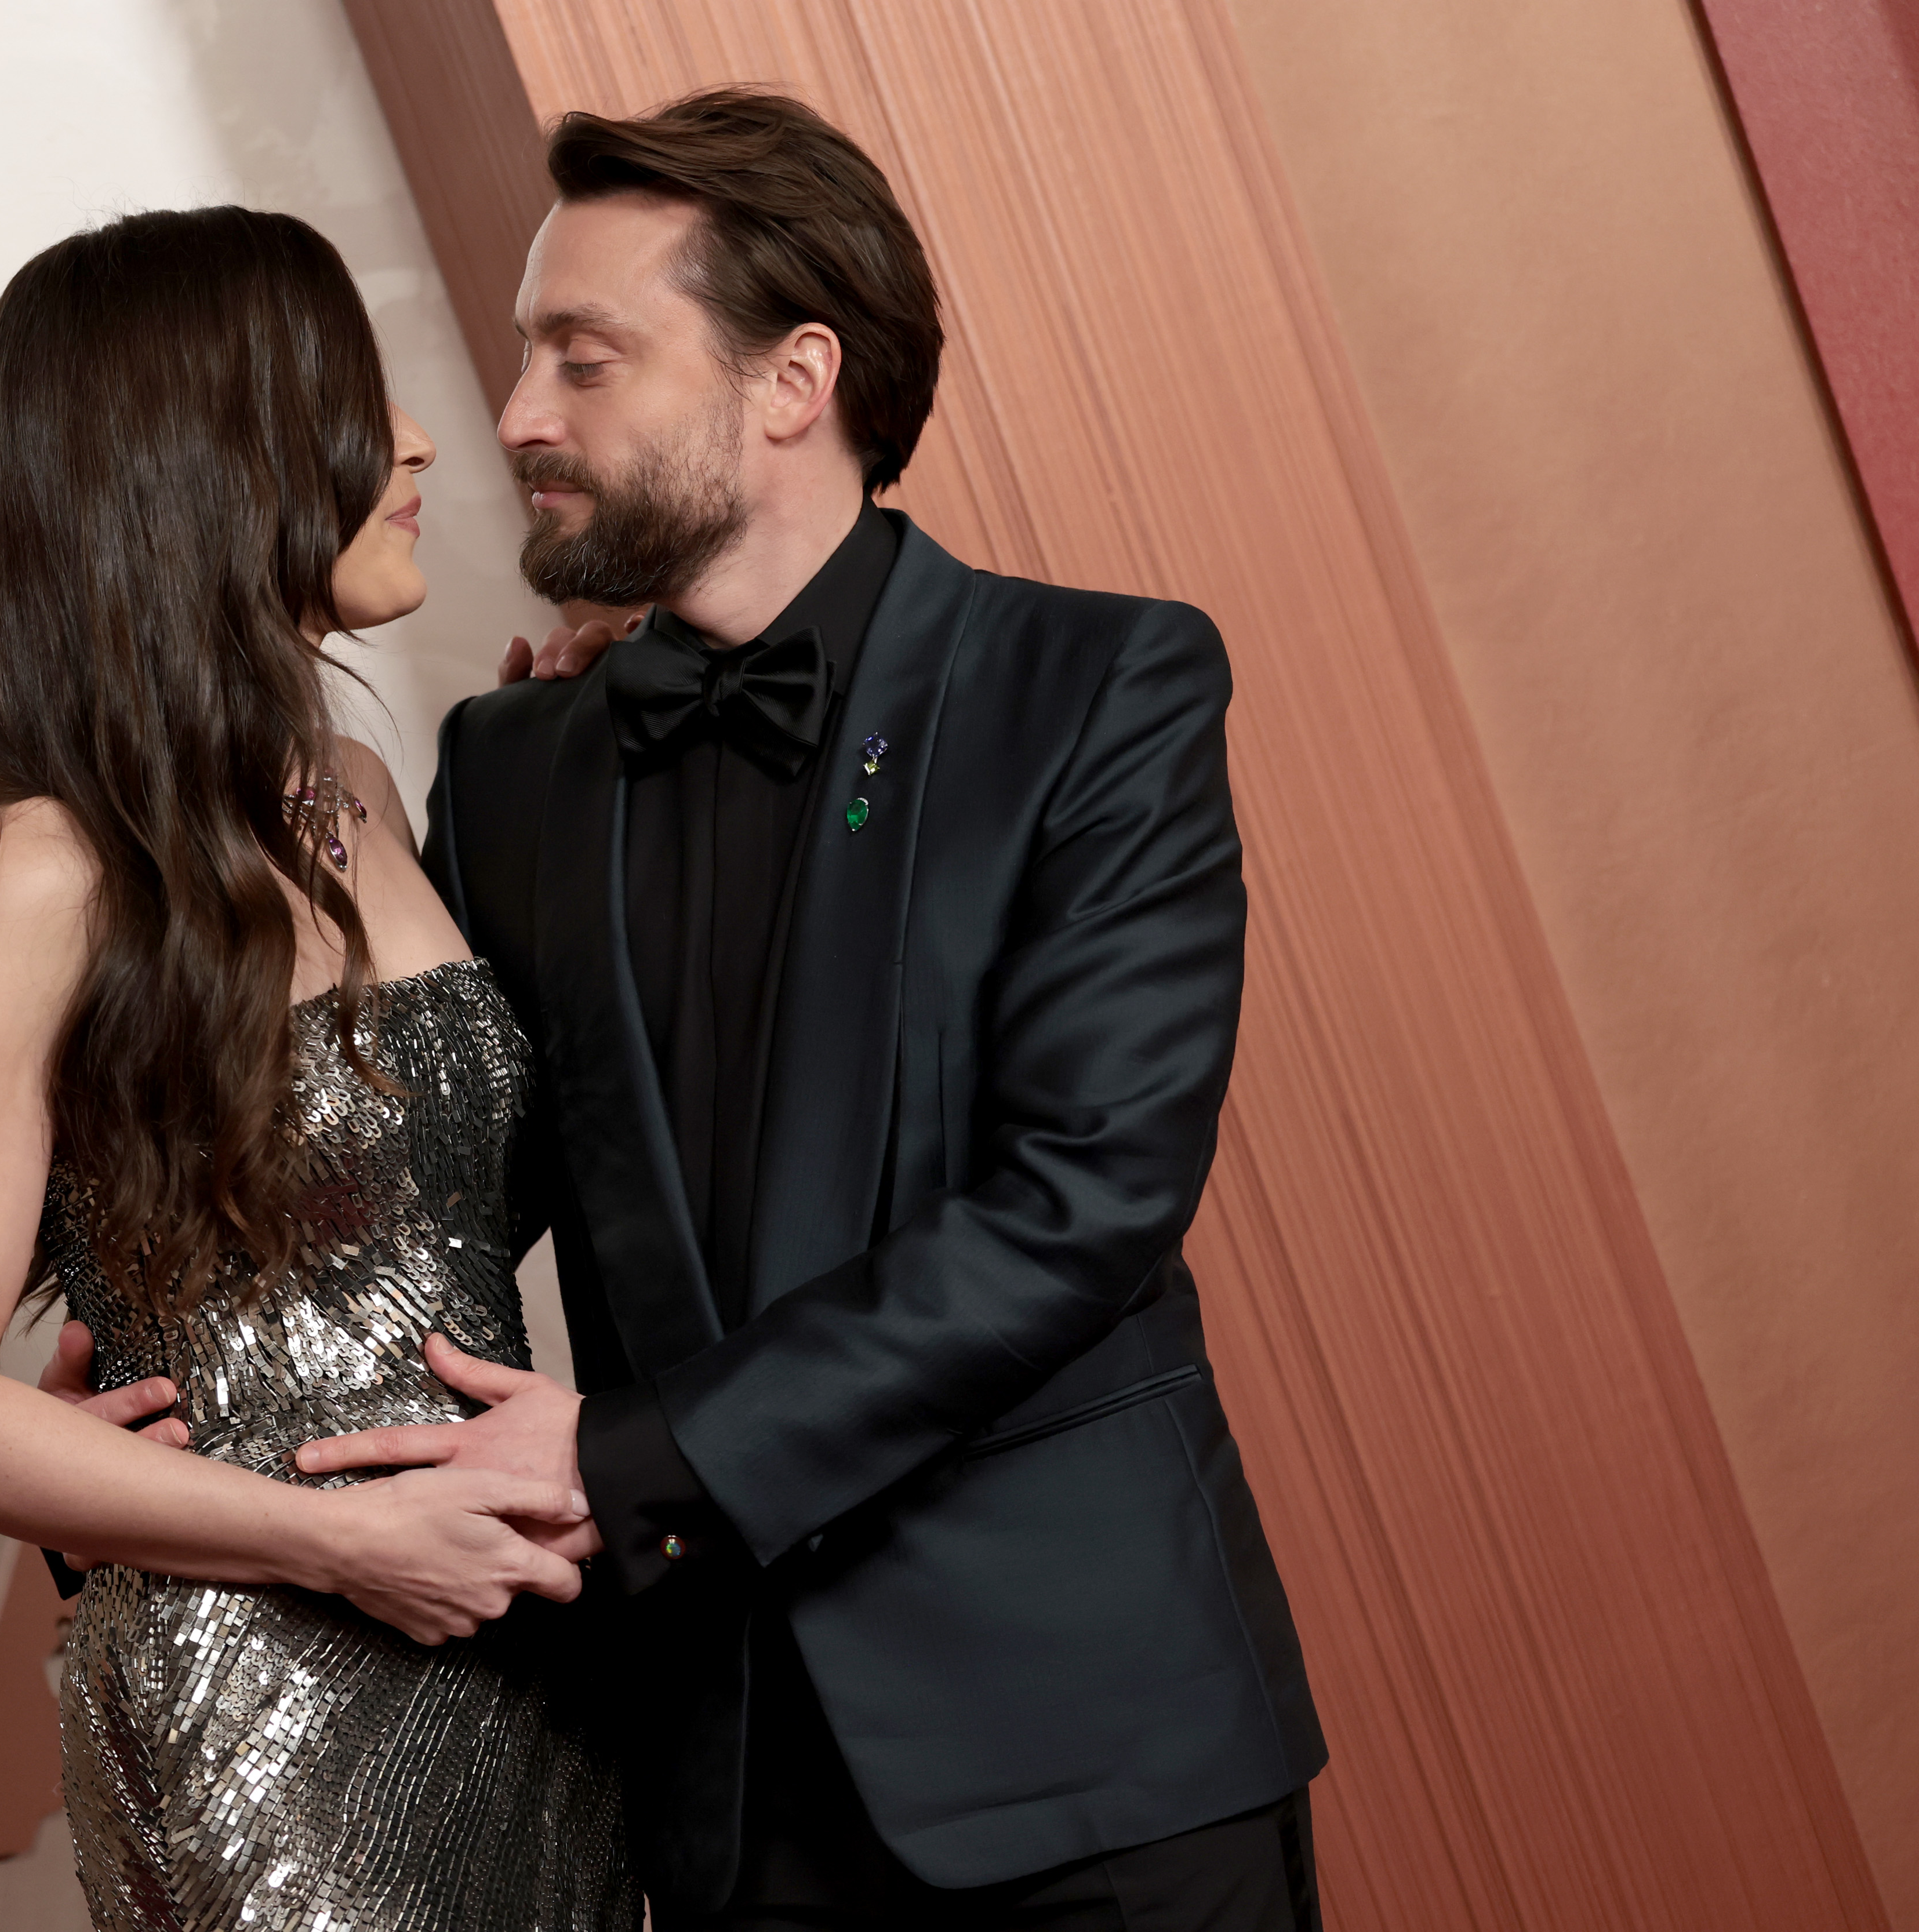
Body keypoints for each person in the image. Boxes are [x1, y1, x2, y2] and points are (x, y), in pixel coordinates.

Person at [288, 91, 1329, 1930]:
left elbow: (1082, 1200)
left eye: (583, 359)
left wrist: (632, 1457)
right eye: (530, 357)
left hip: (1098, 1763)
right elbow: (452, 1193)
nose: (519, 415)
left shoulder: (1098, 687)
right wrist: (178, 1405)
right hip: (725, 1784)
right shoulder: (513, 768)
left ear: (794, 382)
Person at [0, 205, 641, 1932]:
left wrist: (601, 752)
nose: (423, 439)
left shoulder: (357, 780)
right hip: (268, 1699)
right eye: (356, 400)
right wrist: (344, 1542)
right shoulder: (33, 870)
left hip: (515, 1654)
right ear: (214, 455)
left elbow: (461, 1207)